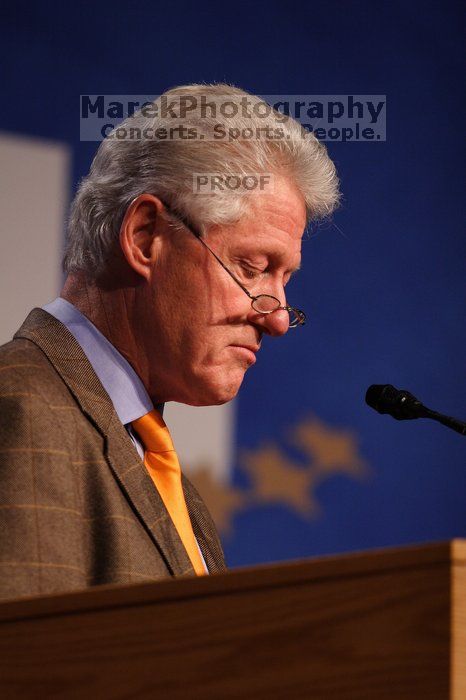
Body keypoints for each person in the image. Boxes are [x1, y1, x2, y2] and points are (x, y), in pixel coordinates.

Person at [0, 84, 339, 599]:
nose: (277, 320)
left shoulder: (151, 459)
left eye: (285, 279)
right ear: (144, 237)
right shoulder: (23, 411)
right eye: (252, 267)